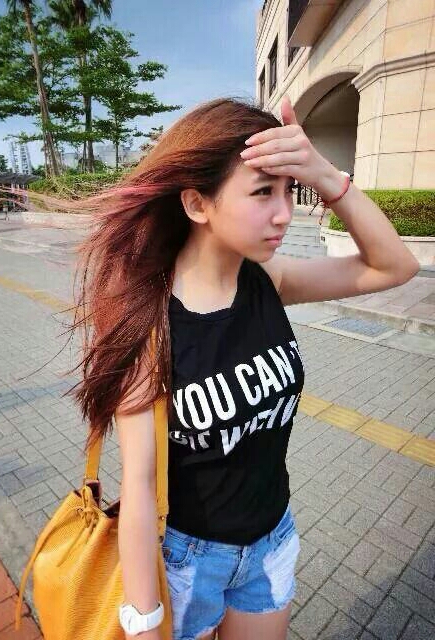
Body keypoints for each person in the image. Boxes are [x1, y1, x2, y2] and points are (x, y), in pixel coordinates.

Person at [73, 96, 419, 640]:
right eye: (262, 192)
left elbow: (395, 266)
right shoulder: (149, 320)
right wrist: (143, 620)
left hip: (271, 543)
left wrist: (324, 174)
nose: (284, 213)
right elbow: (138, 485)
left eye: (289, 190)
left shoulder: (267, 280)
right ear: (197, 204)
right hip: (185, 561)